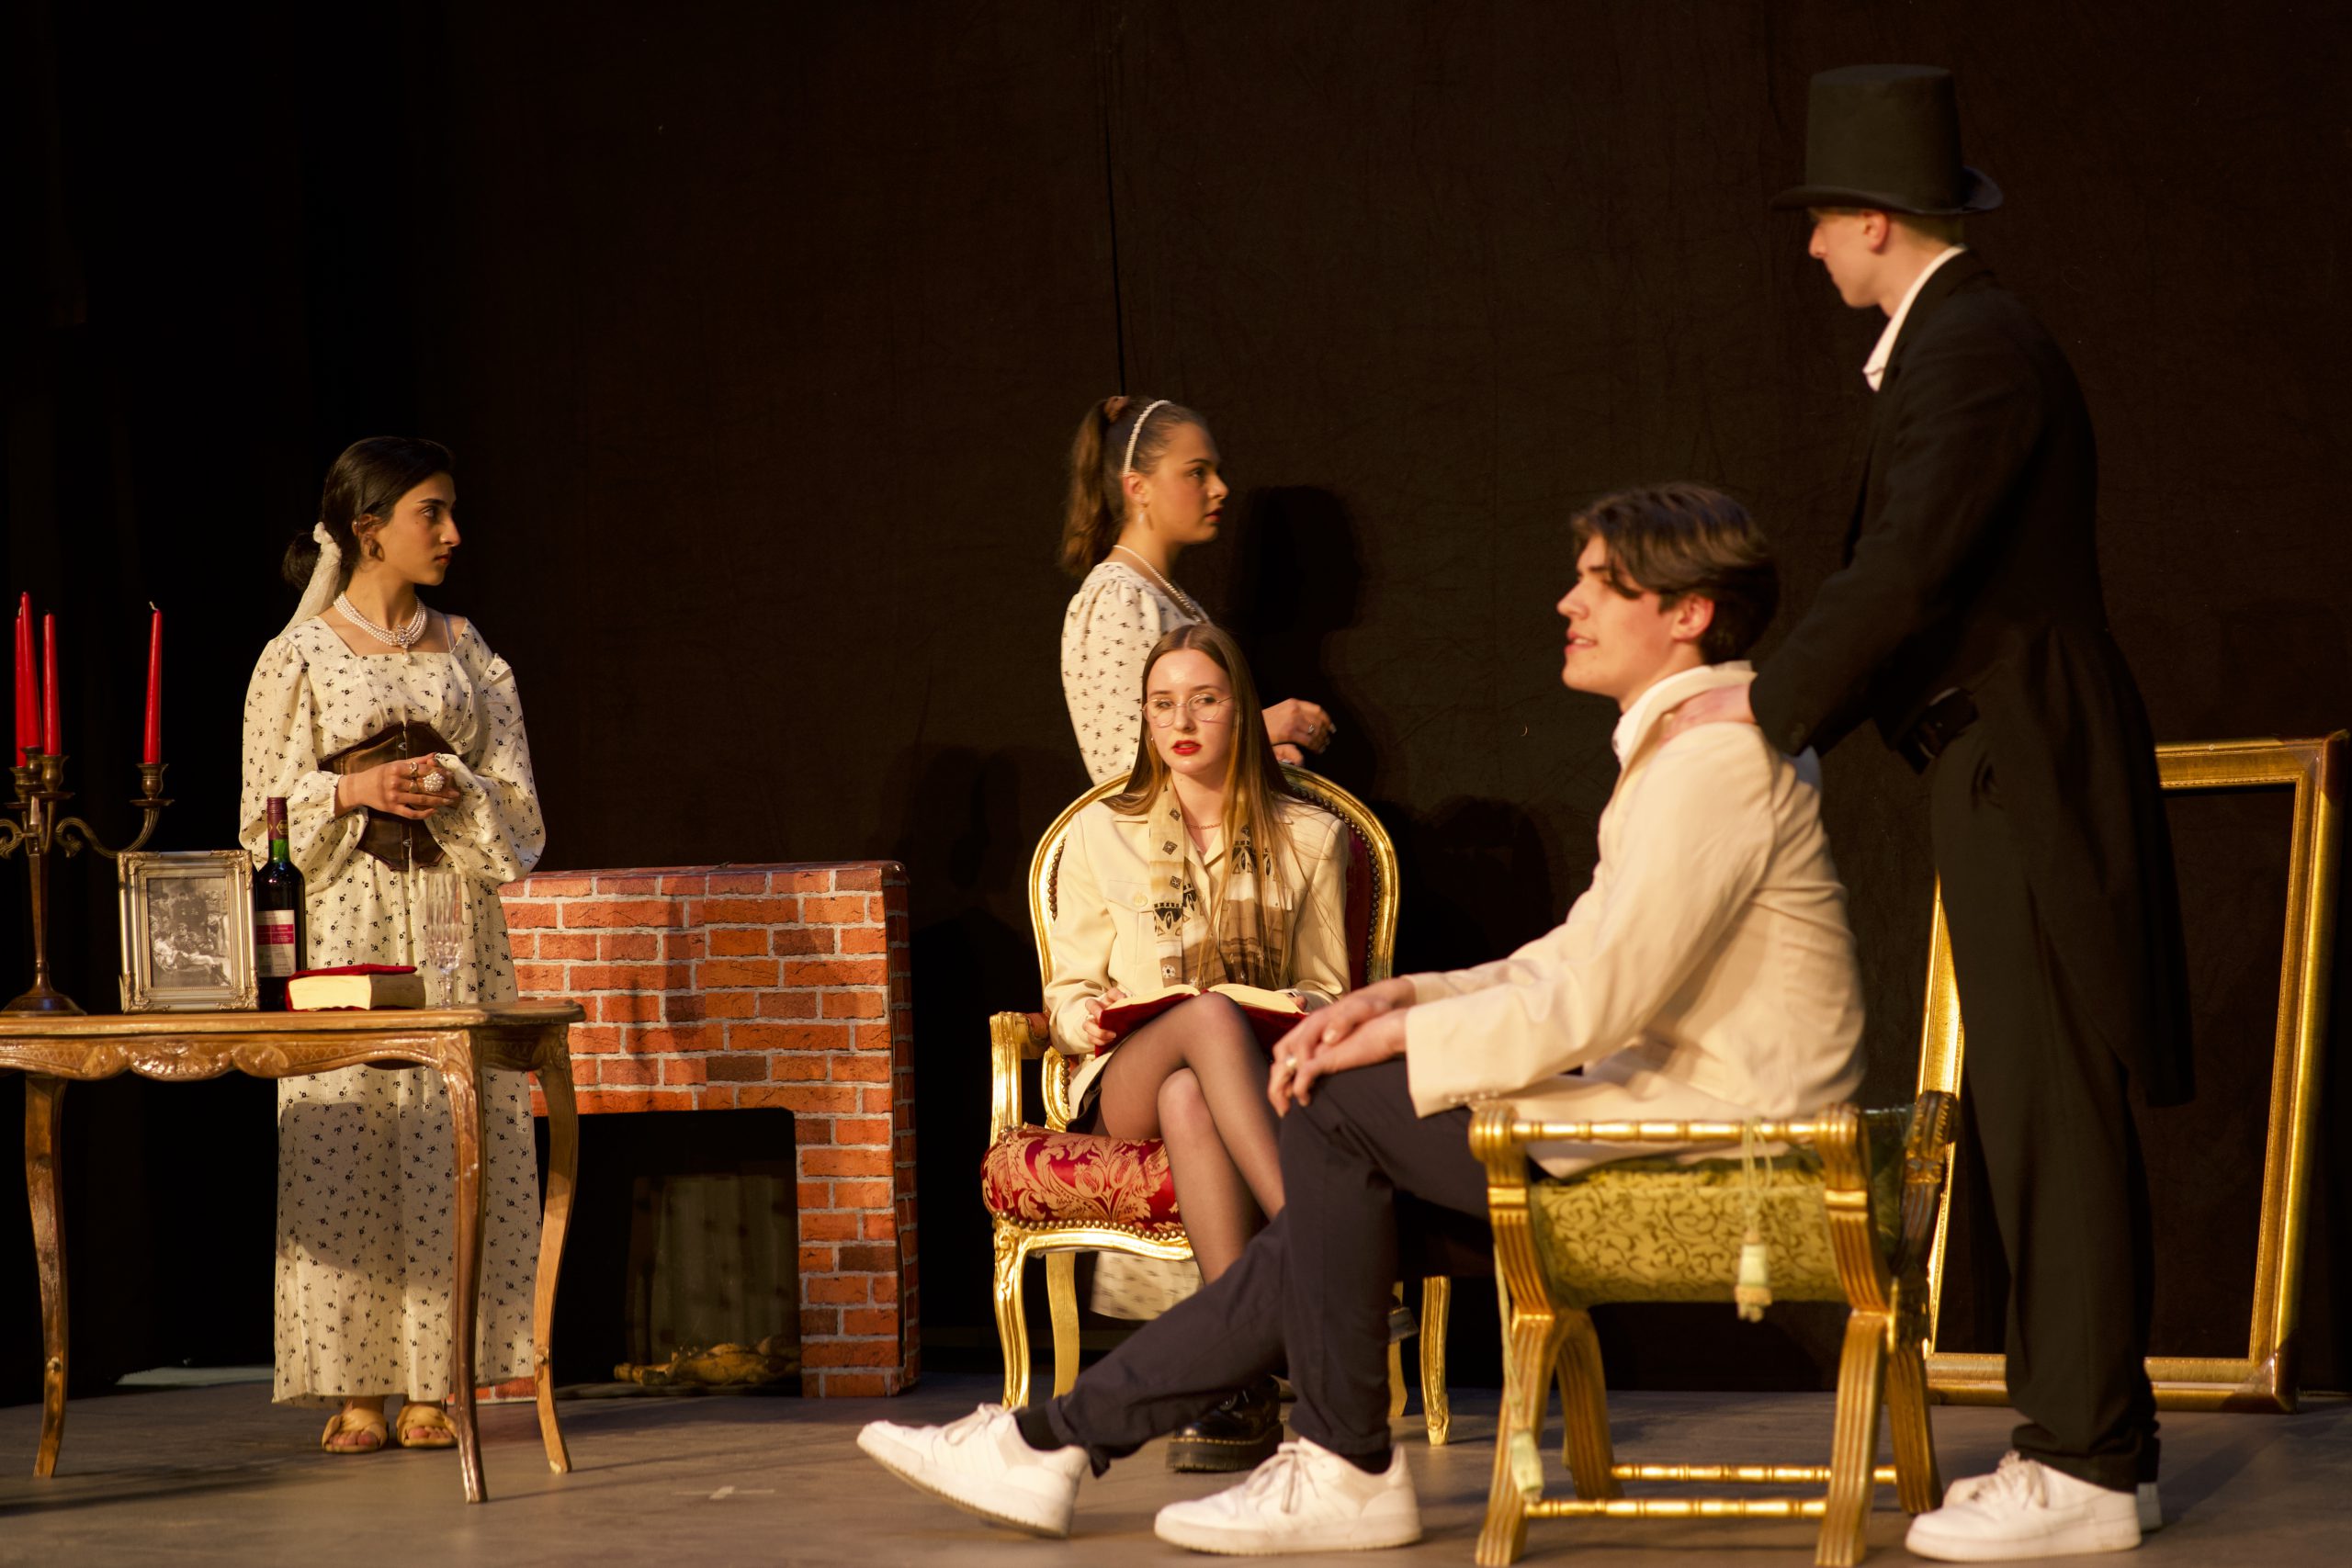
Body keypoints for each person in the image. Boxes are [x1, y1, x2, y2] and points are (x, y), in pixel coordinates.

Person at [862, 484, 1866, 1554]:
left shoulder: (1714, 759)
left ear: (1688, 613)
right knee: (1326, 1219)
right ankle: (1062, 1444)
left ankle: (1312, 1460)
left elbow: (1596, 996)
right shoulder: (1687, 751)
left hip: (1717, 1136)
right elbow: (1579, 954)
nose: (1567, 603)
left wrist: (1397, 1035)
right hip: (1665, 1108)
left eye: (1601, 584)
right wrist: (1406, 997)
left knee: (1334, 1109)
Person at [1669, 66, 2188, 1561]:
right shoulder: (1955, 347)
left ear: (1876, 220)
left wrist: (1759, 711)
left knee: (2050, 1109)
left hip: (2026, 759)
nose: (1809, 247)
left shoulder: (1973, 352)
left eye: (1821, 219)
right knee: (2035, 1103)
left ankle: (2085, 1459)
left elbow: (1904, 570)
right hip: (1993, 761)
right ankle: (2095, 1446)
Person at [239, 436, 548, 1455]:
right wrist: (357, 787)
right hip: (348, 919)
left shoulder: (469, 650)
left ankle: (438, 1378)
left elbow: (520, 806)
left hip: (454, 913)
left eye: (452, 512)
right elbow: (259, 816)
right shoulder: (299, 655)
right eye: (432, 513)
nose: (453, 533)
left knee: (451, 1137)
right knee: (351, 1135)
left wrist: (456, 785)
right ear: (368, 529)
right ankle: (356, 1384)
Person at [1043, 620, 1351, 1469]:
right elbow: (1065, 995)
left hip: (1248, 1076)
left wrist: (1300, 1004)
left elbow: (1331, 988)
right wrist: (1089, 1016)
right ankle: (1326, 1251)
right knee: (1204, 1020)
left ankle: (1237, 1386)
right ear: (1145, 718)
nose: (1181, 721)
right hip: (1125, 1079)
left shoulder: (1311, 836)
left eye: (1204, 700)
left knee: (1197, 1086)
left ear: (1240, 710)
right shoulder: (1101, 830)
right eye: (1162, 703)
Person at [1059, 395, 1335, 782]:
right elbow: (1127, 770)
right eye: (1196, 473)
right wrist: (1260, 729)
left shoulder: (1165, 595)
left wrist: (1262, 759)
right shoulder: (1117, 600)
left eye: (1217, 472)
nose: (1220, 488)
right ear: (1138, 488)